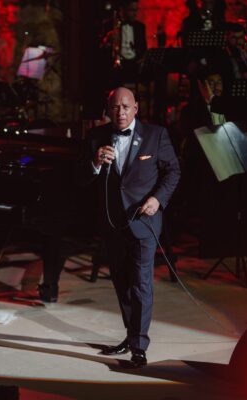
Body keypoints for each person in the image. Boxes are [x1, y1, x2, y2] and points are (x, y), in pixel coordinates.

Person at [78, 87, 180, 367]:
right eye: (114, 107)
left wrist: (157, 200)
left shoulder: (155, 134)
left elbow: (173, 171)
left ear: (136, 108)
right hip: (112, 223)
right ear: (107, 110)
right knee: (122, 283)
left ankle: (139, 346)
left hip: (144, 221)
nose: (120, 112)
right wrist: (95, 163)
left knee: (141, 282)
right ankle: (130, 335)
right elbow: (80, 179)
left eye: (125, 107)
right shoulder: (96, 137)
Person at [100, 1, 147, 88]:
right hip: (118, 64)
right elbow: (100, 49)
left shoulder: (140, 27)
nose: (135, 14)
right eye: (132, 10)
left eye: (136, 10)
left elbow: (143, 49)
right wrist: (107, 40)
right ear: (122, 10)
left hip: (134, 64)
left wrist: (141, 60)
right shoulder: (109, 25)